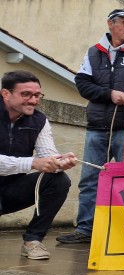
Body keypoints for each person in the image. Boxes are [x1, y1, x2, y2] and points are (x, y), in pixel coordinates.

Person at [58, 9, 124, 245]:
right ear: (110, 24)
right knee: (89, 180)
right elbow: (82, 84)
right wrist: (109, 94)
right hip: (96, 127)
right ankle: (86, 229)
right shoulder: (94, 52)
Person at [0, 71, 77, 259]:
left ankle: (33, 240)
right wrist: (34, 163)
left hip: (9, 190)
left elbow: (47, 156)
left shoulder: (39, 120)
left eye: (37, 95)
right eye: (26, 94)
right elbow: (36, 162)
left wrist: (60, 162)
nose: (34, 101)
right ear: (6, 94)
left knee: (58, 180)